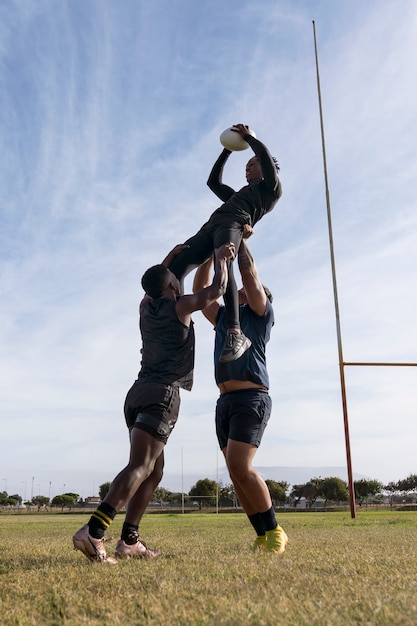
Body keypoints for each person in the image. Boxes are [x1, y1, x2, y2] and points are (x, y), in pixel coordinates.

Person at [73, 241, 235, 563]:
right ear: (173, 284)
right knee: (141, 465)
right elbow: (218, 289)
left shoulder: (145, 307)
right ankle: (93, 532)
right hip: (162, 395)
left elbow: (155, 283)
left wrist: (172, 258)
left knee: (155, 469)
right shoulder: (181, 307)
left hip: (137, 394)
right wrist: (222, 258)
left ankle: (130, 541)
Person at [193, 238, 288, 554]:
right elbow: (200, 291)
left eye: (248, 289)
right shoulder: (223, 317)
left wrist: (239, 239)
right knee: (235, 474)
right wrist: (211, 256)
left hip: (251, 398)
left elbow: (249, 276)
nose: (242, 290)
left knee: (240, 466)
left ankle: (275, 531)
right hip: (225, 401)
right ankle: (261, 534)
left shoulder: (261, 314)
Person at [169, 123, 282, 364]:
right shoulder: (238, 195)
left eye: (251, 165)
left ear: (265, 168)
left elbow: (263, 155)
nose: (247, 169)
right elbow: (213, 182)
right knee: (176, 266)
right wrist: (227, 149)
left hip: (233, 224)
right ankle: (172, 322)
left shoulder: (270, 190)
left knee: (225, 267)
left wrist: (247, 138)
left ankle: (234, 331)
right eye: (246, 166)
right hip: (211, 226)